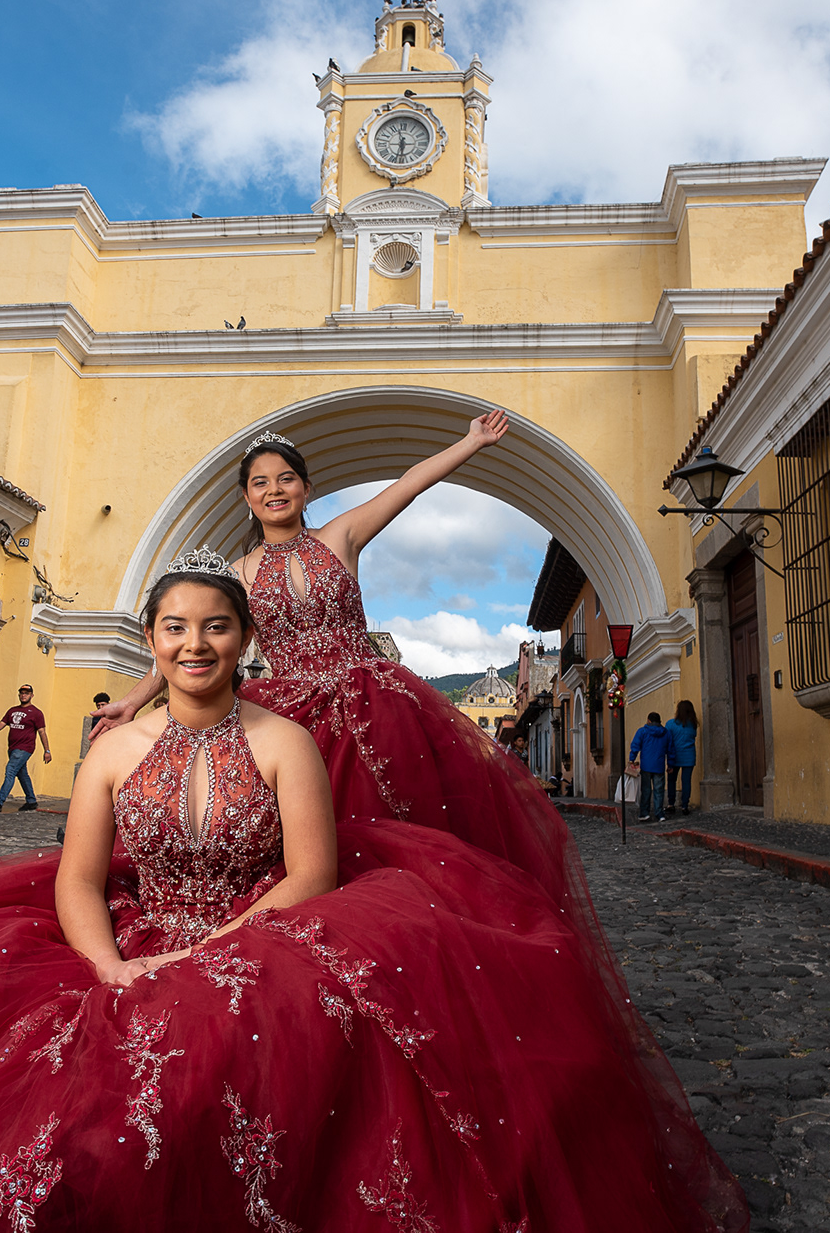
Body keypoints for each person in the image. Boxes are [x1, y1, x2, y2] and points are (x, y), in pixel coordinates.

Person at [0, 554, 745, 1232]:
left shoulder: (288, 740)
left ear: (246, 639)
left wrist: (225, 943)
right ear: (156, 640)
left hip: (264, 928)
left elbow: (313, 872)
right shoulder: (108, 749)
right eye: (175, 628)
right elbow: (81, 880)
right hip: (129, 937)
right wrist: (103, 964)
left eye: (216, 627)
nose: (195, 644)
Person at [92, 420, 746, 1230]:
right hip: (296, 715)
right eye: (259, 483)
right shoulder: (237, 573)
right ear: (246, 499)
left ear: (305, 486)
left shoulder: (341, 533)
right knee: (304, 862)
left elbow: (410, 484)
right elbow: (197, 645)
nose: (273, 492)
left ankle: (433, 983)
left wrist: (470, 445)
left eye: (285, 479)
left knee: (405, 866)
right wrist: (132, 699)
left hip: (375, 713)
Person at [0, 684, 51, 812]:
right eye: (22, 692)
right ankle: (31, 801)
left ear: (32, 695)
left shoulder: (36, 713)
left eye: (27, 693)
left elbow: (42, 732)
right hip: (13, 748)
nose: (24, 695)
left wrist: (47, 751)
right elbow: (1, 724)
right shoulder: (12, 710)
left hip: (25, 748)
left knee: (10, 770)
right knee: (22, 774)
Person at [629, 711, 670, 822]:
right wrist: (670, 764)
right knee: (659, 790)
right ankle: (659, 813)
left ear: (649, 721)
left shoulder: (642, 731)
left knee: (646, 790)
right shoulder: (665, 733)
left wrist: (632, 759)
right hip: (659, 766)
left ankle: (645, 813)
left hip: (646, 766)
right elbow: (670, 750)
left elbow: (635, 746)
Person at [665, 698, 699, 815]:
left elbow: (668, 741)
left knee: (672, 780)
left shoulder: (670, 724)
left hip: (674, 757)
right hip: (689, 756)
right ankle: (685, 805)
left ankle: (671, 804)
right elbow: (693, 736)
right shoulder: (693, 725)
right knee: (686, 782)